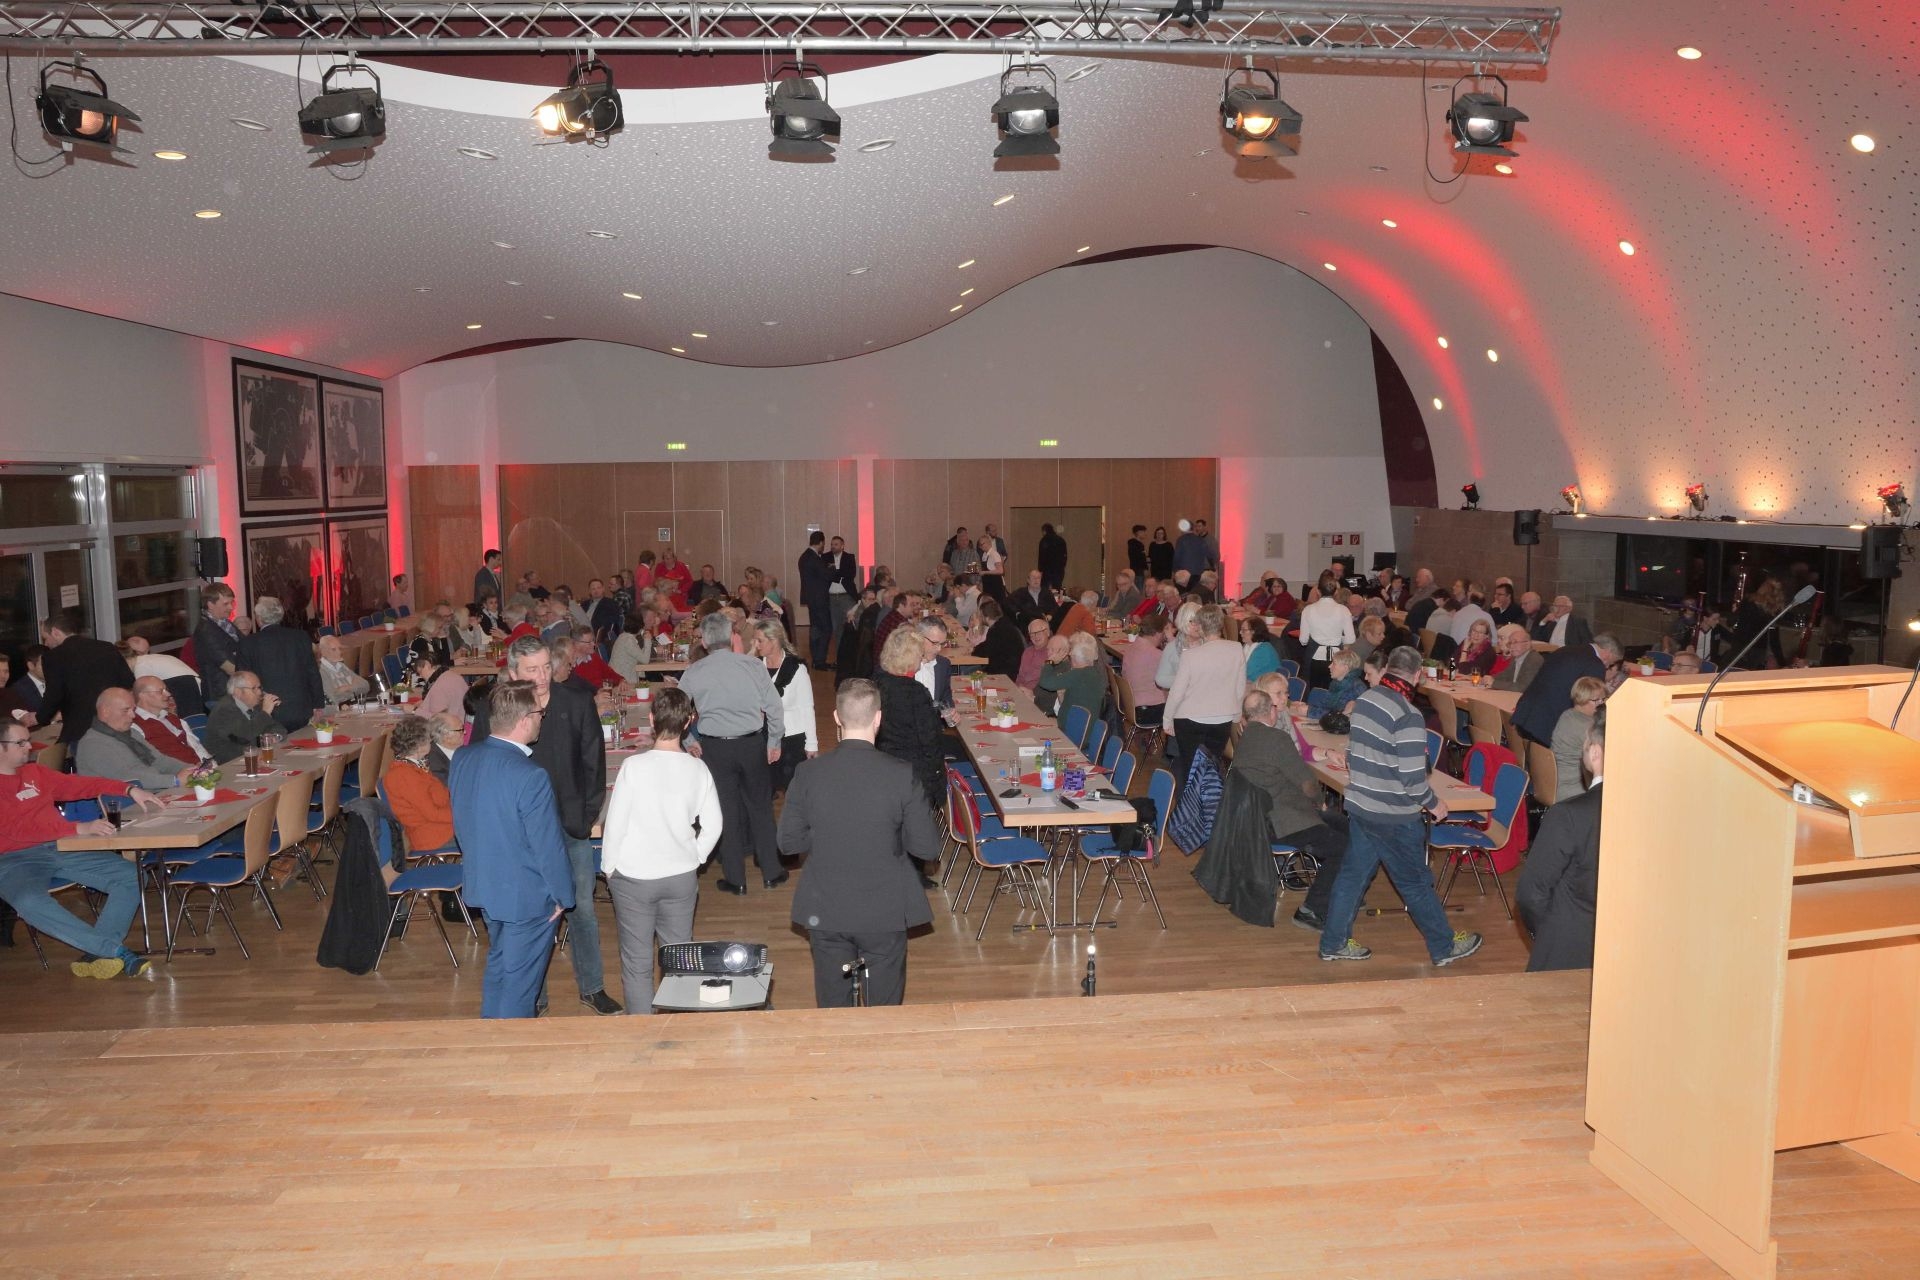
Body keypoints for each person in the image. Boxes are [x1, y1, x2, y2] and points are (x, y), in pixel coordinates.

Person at [469, 635, 619, 1015]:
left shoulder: (576, 702)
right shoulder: (495, 709)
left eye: (546, 667)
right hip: (518, 835)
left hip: (569, 828)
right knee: (530, 917)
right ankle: (534, 997)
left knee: (582, 910)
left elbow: (594, 762)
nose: (542, 676)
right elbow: (486, 766)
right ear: (512, 673)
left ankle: (592, 987)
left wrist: (585, 817)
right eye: (532, 669)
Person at [778, 679, 942, 1008]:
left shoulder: (808, 773)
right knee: (883, 1007)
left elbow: (788, 843)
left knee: (833, 1004)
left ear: (836, 718)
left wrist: (826, 834)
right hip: (885, 910)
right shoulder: (901, 773)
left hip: (826, 908)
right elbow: (927, 848)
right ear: (878, 718)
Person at [1317, 645, 1483, 967]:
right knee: (1415, 882)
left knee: (1351, 878)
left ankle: (1333, 943)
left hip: (1361, 805)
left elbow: (1354, 753)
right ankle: (1444, 946)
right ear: (1417, 675)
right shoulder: (1408, 715)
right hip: (1392, 815)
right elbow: (1412, 779)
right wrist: (1434, 804)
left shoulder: (1366, 700)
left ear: (1389, 668)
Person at [450, 680, 574, 1019]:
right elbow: (547, 846)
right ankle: (512, 1046)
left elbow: (464, 824)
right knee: (520, 988)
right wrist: (563, 896)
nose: (542, 719)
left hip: (485, 886)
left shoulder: (463, 758)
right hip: (527, 896)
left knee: (501, 970)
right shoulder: (530, 775)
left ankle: (492, 1035)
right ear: (523, 720)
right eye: (539, 713)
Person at [0, 721, 161, 979]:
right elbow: (18, 829)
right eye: (20, 743)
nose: (29, 746)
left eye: (27, 740)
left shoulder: (34, 773)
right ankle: (116, 951)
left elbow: (80, 785)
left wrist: (128, 789)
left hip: (59, 845)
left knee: (132, 876)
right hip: (13, 859)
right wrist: (78, 828)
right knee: (29, 902)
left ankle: (99, 953)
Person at [596, 686, 721, 1014]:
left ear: (652, 719)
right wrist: (696, 856)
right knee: (679, 959)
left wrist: (609, 868)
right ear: (688, 722)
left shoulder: (633, 767)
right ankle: (676, 1025)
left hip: (633, 878)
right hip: (680, 876)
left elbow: (615, 824)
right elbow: (714, 825)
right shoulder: (698, 769)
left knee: (637, 963)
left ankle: (643, 1030)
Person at [677, 612, 787, 893]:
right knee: (761, 807)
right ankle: (772, 872)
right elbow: (774, 707)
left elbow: (677, 712)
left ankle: (736, 879)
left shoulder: (693, 672)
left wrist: (689, 740)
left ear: (704, 641)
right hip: (752, 744)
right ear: (731, 637)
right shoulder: (753, 666)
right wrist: (774, 740)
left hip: (715, 749)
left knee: (725, 812)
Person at [1231, 687, 1350, 932]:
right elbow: (1307, 784)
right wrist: (1319, 802)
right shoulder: (1277, 738)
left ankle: (1339, 890)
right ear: (1271, 712)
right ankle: (1311, 910)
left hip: (1259, 817)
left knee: (1342, 824)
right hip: (1282, 822)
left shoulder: (1245, 737)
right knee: (1343, 847)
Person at [1518, 711, 1604, 971]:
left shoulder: (1569, 815)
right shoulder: (1658, 812)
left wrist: (1548, 932)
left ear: (1595, 753)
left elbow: (1531, 893)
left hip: (1569, 948)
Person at [873, 626, 945, 819]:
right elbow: (930, 741)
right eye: (920, 655)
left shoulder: (876, 682)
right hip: (912, 774)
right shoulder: (915, 692)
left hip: (882, 766)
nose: (922, 659)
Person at [40, 608, 135, 745]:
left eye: (45, 638)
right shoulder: (107, 647)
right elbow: (128, 683)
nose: (46, 644)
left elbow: (54, 695)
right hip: (113, 725)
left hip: (80, 730)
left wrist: (40, 718)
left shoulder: (53, 657)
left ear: (55, 632)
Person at [1165, 605, 1244, 769]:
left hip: (1190, 720)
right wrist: (1236, 716)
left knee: (1190, 768)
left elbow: (1176, 693)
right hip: (1223, 718)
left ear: (1200, 627)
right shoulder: (1237, 649)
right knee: (1211, 769)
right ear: (1221, 624)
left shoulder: (1190, 655)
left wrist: (1167, 720)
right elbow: (1239, 687)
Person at [75, 688, 196, 792]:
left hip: (154, 793)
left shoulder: (131, 733)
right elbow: (128, 779)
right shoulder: (92, 744)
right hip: (124, 804)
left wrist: (194, 770)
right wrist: (174, 781)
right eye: (126, 710)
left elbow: (159, 761)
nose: (133, 715)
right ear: (105, 712)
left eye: (133, 710)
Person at [1513, 635, 1622, 747]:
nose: (1607, 666)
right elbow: (1589, 704)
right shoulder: (1595, 665)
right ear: (1608, 653)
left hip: (1525, 714)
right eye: (1612, 662)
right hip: (1547, 727)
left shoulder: (1565, 649)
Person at [751, 618, 817, 795]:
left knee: (794, 791)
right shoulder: (755, 667)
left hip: (791, 739)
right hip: (762, 737)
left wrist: (812, 744)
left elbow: (807, 708)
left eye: (760, 640)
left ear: (774, 640)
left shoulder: (796, 669)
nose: (756, 645)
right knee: (763, 789)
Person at [239, 597, 322, 734]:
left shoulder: (248, 643)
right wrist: (318, 705)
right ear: (281, 615)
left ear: (258, 618)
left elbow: (243, 681)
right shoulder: (300, 637)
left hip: (268, 712)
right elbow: (313, 673)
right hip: (301, 709)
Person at [384, 715, 456, 873]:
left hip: (440, 828)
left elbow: (442, 795)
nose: (431, 742)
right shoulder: (404, 776)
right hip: (433, 836)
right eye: (429, 739)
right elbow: (432, 814)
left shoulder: (415, 767)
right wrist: (462, 815)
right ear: (419, 746)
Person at [129, 676, 210, 766]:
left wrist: (212, 766)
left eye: (166, 690)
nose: (168, 694)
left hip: (202, 769)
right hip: (177, 773)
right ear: (143, 696)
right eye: (160, 691)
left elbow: (197, 747)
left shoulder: (174, 719)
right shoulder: (134, 726)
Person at [1551, 676, 1607, 802]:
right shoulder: (1588, 728)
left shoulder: (1567, 715)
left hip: (1556, 781)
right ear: (1582, 700)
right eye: (1596, 700)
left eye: (1603, 699)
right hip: (1573, 787)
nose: (1601, 704)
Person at [1297, 582, 1356, 690]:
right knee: (1333, 691)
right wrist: (1337, 639)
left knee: (1314, 691)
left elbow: (1303, 640)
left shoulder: (1308, 609)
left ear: (1318, 591)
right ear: (1336, 592)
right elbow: (1351, 639)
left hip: (1315, 657)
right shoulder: (1343, 610)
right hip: (1336, 659)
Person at [192, 584, 244, 704]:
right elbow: (227, 666)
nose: (231, 607)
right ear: (210, 604)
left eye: (232, 603)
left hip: (230, 691)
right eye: (226, 604)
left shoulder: (225, 624)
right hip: (221, 695)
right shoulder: (206, 631)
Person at [1122, 610, 1171, 729]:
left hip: (1130, 706)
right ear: (1158, 633)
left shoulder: (1130, 648)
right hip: (1148, 710)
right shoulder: (1156, 655)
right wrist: (1171, 642)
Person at [798, 530, 833, 669]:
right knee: (826, 629)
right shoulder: (814, 558)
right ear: (821, 542)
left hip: (812, 599)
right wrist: (832, 568)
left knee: (815, 629)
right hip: (819, 600)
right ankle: (820, 661)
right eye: (823, 543)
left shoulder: (804, 556)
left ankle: (816, 659)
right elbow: (826, 575)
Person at [969, 597, 1023, 678]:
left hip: (1005, 672)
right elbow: (987, 644)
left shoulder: (996, 630)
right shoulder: (1005, 624)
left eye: (981, 616)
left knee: (969, 672)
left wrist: (974, 651)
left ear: (987, 617)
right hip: (1011, 668)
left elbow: (986, 650)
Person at [1304, 647, 1365, 718]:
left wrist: (1309, 711)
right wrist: (1308, 707)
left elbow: (1339, 715)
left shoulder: (1354, 689)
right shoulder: (1337, 683)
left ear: (1345, 668)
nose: (1329, 666)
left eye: (1334, 664)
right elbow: (1326, 706)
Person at [415, 651, 468, 723]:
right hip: (462, 720)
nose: (420, 676)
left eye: (420, 672)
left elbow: (437, 721)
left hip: (453, 726)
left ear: (427, 665)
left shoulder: (438, 685)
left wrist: (414, 711)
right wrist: (425, 703)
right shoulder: (450, 675)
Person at [317, 634, 370, 705]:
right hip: (340, 709)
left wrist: (348, 688)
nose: (339, 652)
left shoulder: (341, 666)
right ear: (323, 652)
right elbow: (333, 699)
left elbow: (366, 686)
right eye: (334, 649)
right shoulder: (321, 671)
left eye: (340, 648)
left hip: (351, 705)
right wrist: (354, 690)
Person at [1490, 624, 1541, 692]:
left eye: (1515, 642)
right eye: (1510, 643)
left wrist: (1494, 683)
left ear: (1528, 644)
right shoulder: (1516, 657)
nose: (1512, 646)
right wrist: (1489, 678)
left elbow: (1523, 687)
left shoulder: (1534, 660)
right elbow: (1505, 675)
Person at [1016, 615, 1051, 694]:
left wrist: (1031, 693)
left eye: (1039, 632)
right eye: (1032, 633)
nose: (1036, 636)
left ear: (1048, 632)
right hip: (1021, 692)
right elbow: (1020, 677)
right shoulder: (1027, 652)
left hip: (1037, 696)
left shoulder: (1052, 653)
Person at [1240, 615, 1281, 682]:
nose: (1240, 632)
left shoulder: (1263, 649)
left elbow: (1246, 674)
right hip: (1256, 682)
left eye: (1243, 630)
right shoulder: (1247, 646)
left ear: (1254, 631)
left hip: (1266, 685)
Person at [1036, 523, 1069, 592]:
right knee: (1057, 588)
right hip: (1058, 570)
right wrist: (1062, 566)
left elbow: (1042, 557)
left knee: (1045, 589)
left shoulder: (1044, 540)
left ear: (1044, 531)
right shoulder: (1061, 540)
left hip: (1047, 570)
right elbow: (1065, 556)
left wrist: (1040, 570)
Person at [976, 533, 1006, 603]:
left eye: (982, 544)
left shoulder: (994, 554)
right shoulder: (984, 555)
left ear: (988, 543)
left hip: (996, 585)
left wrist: (985, 572)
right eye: (980, 545)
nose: (980, 547)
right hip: (987, 585)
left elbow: (1000, 571)